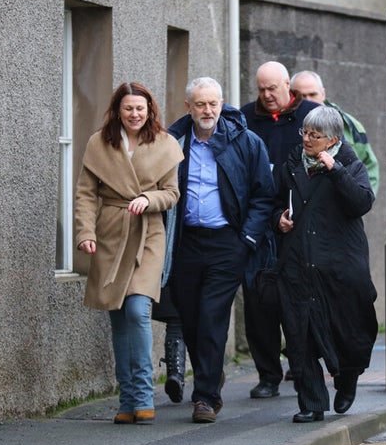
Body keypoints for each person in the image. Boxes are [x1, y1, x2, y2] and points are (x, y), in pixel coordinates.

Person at [166, 77, 275, 423]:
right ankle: (211, 373)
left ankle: (206, 397)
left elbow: (263, 195)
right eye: (200, 104)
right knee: (190, 319)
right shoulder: (173, 142)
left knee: (213, 316)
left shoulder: (245, 142)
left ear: (222, 104)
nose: (208, 111)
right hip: (186, 243)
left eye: (213, 104)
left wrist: (247, 240)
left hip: (229, 242)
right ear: (189, 107)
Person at [75, 82, 184, 425]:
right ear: (117, 111)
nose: (135, 114)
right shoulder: (99, 143)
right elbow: (86, 194)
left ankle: (143, 394)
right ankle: (126, 400)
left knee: (137, 310)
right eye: (128, 109)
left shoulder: (166, 144)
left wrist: (148, 199)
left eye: (140, 108)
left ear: (150, 110)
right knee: (118, 317)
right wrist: (85, 232)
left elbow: (172, 194)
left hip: (148, 234)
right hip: (110, 233)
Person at [273, 106, 378, 423]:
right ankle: (311, 402)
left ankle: (347, 378)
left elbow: (361, 202)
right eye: (304, 132)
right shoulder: (293, 162)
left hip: (340, 265)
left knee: (346, 332)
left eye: (314, 136)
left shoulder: (349, 163)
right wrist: (276, 218)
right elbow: (274, 198)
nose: (306, 139)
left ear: (332, 139)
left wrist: (335, 170)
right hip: (299, 262)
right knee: (299, 331)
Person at [240, 61, 318, 399]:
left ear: (288, 84)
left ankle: (301, 370)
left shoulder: (311, 116)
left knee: (299, 304)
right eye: (261, 89)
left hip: (301, 229)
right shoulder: (244, 119)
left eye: (273, 88)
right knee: (259, 302)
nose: (268, 95)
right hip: (260, 224)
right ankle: (267, 374)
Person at [289, 70, 380, 195]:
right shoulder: (284, 123)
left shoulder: (349, 125)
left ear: (323, 94)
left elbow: (369, 166)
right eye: (302, 96)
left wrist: (360, 200)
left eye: (312, 94)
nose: (308, 101)